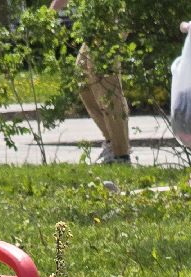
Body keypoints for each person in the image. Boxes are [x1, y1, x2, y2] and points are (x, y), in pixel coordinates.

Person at [51, 0, 132, 164]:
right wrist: (50, 13)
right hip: (97, 20)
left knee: (106, 84)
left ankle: (121, 154)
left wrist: (51, 12)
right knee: (82, 77)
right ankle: (113, 142)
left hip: (112, 18)